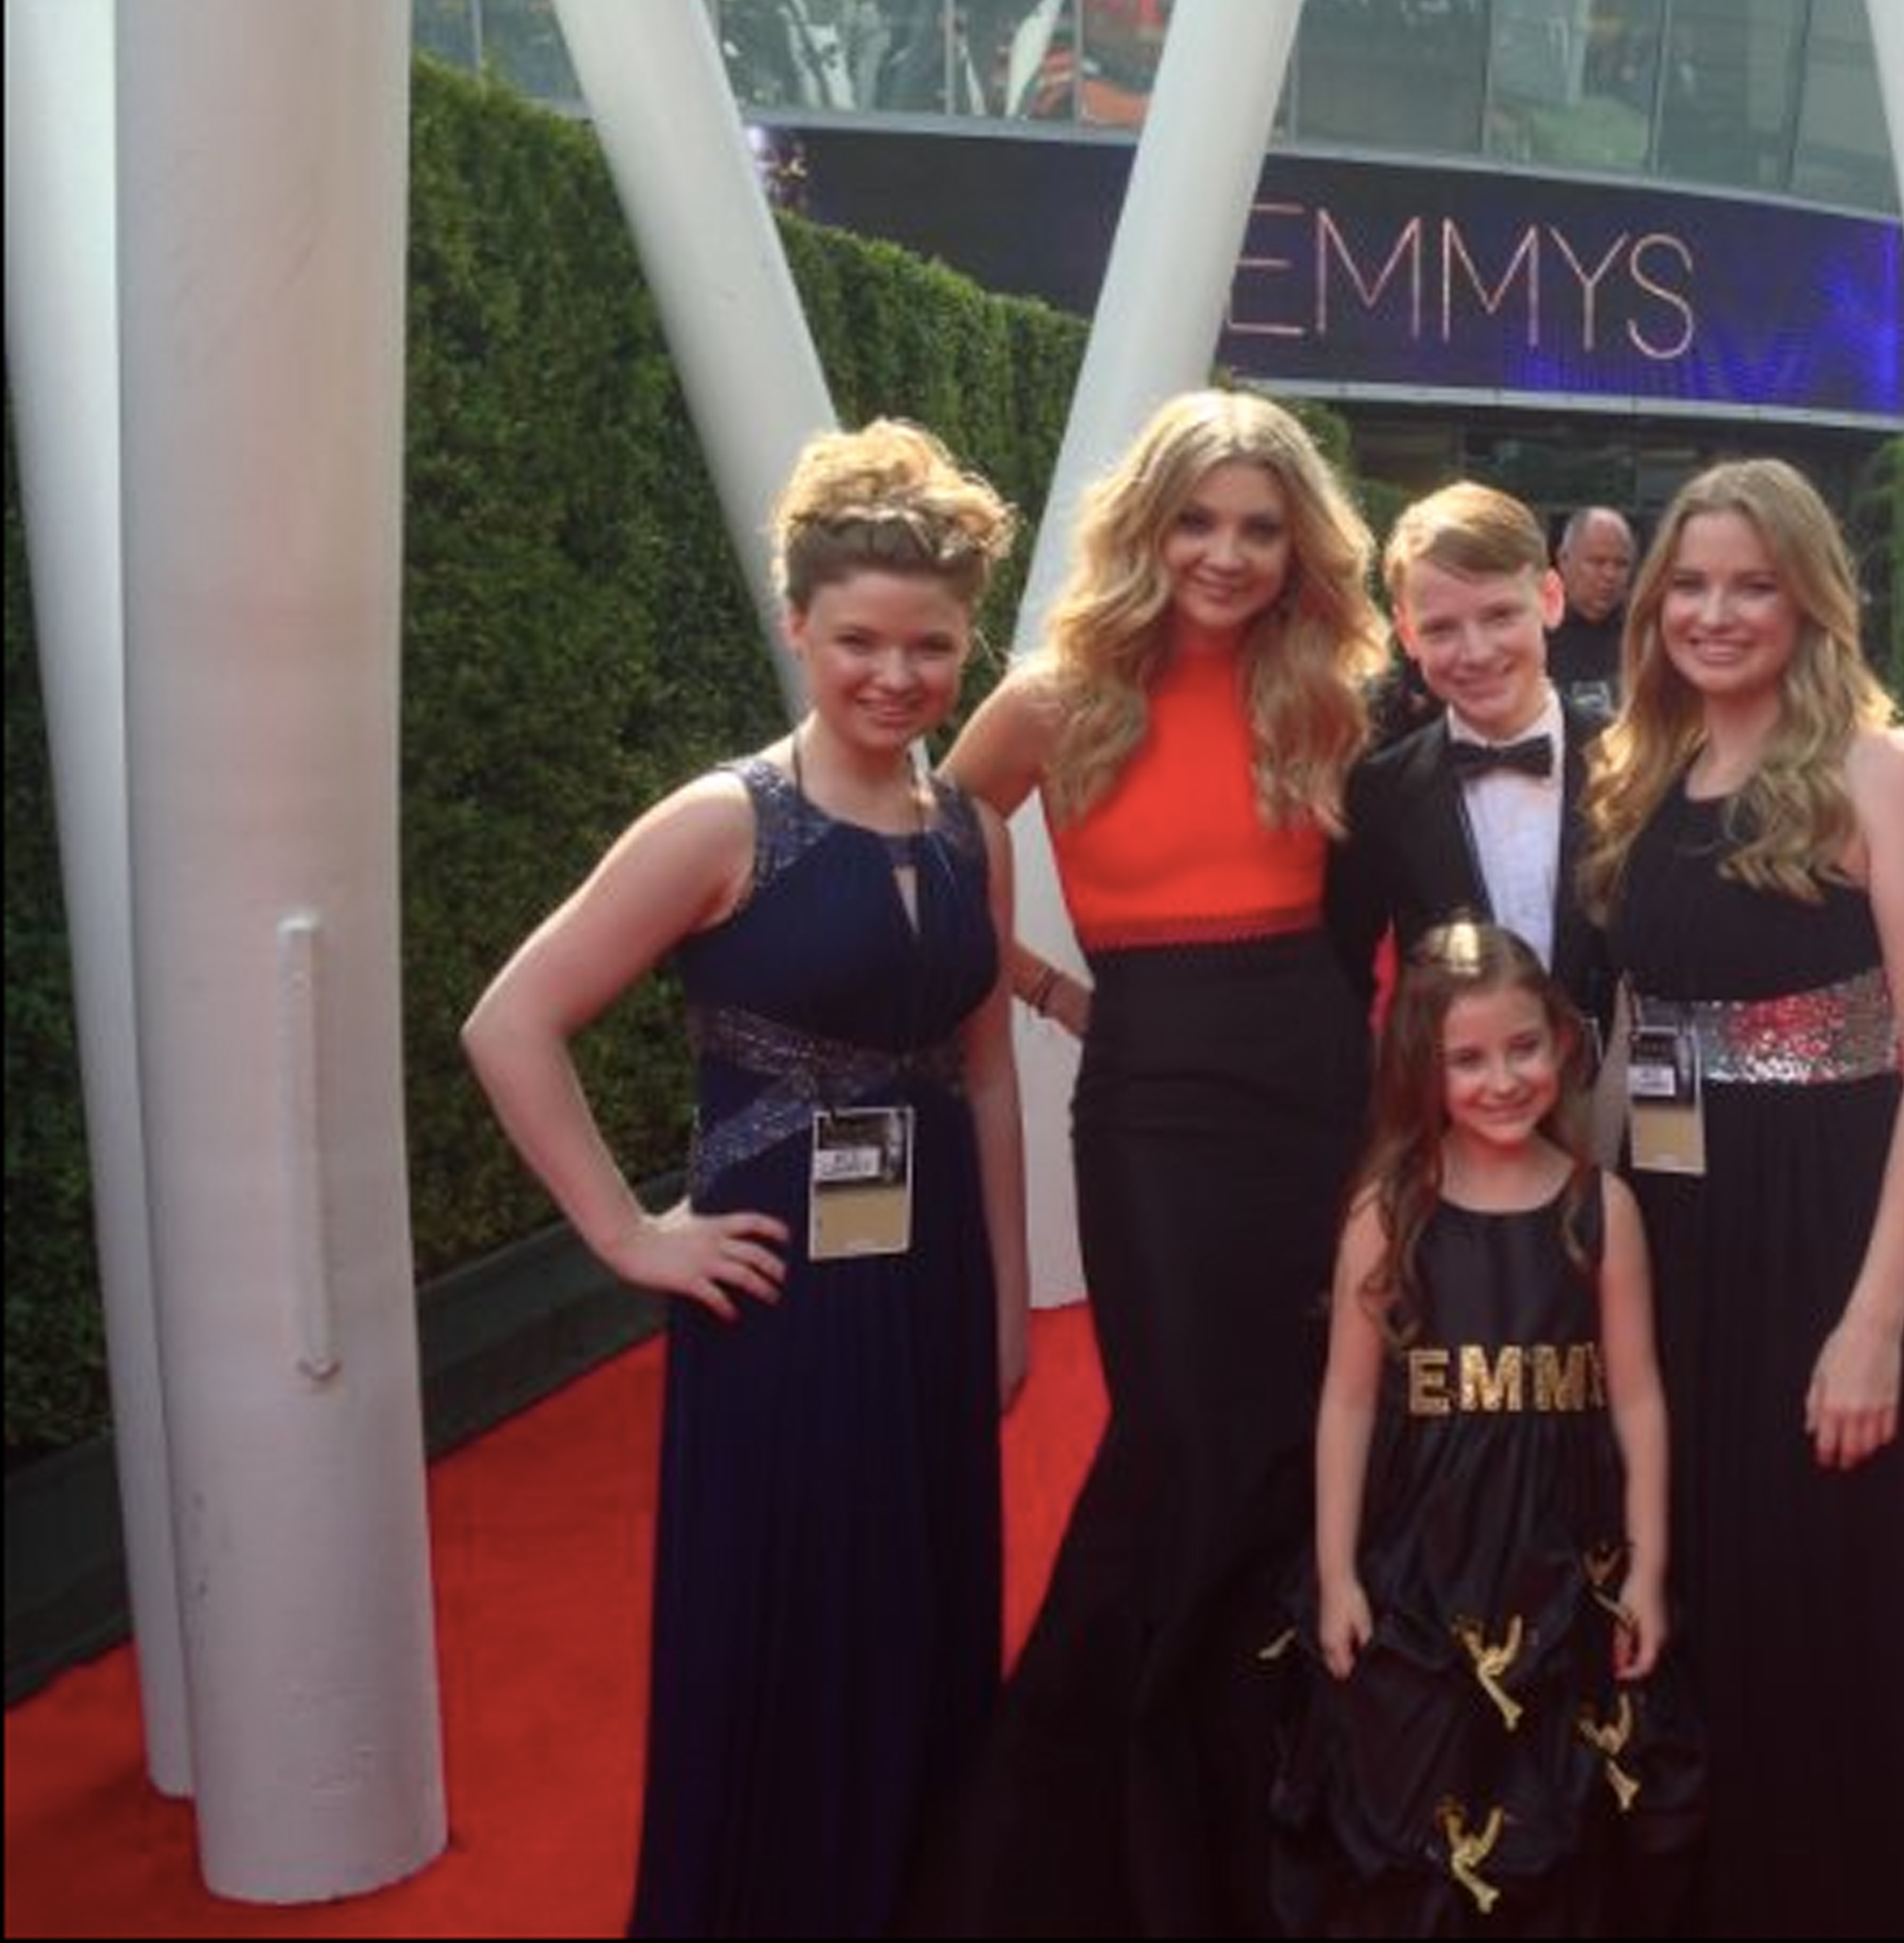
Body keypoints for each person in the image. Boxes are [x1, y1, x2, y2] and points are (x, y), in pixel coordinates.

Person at [460, 420, 1028, 1938]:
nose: (895, 676)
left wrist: (1010, 1290)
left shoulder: (974, 826)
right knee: (791, 1619)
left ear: (969, 638)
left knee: (921, 1610)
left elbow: (983, 1067)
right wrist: (630, 1231)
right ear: (796, 625)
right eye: (858, 640)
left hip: (927, 1282)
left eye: (931, 644)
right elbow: (510, 1019)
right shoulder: (725, 821)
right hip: (773, 1290)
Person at [929, 386, 1389, 1935]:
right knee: (1182, 1434)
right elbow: (904, 852)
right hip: (1152, 1102)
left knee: (1285, 1435)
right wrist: (1049, 987)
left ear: (1299, 545)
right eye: (1199, 521)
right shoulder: (1054, 697)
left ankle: (1265, 1803)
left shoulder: (1329, 683)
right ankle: (1089, 1820)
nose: (1228, 553)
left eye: (1261, 527)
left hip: (1309, 1080)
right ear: (1146, 525)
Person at [1578, 457, 1904, 1937]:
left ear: (1811, 594)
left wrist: (1877, 1316)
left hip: (1821, 1228)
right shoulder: (1643, 766)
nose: (1713, 611)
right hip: (1670, 1217)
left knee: (1818, 1581)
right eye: (1689, 583)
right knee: (1676, 1555)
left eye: (1751, 582)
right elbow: (1633, 1030)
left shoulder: (1889, 771)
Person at [1271, 922, 1700, 1936]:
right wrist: (1337, 1574)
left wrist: (1646, 1569)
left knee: (1556, 1810)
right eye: (1467, 1058)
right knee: (1421, 1809)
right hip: (1421, 1565)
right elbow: (1347, 1400)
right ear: (1422, 1068)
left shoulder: (1604, 1211)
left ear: (1561, 1044)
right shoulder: (1388, 1213)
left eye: (1523, 1047)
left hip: (1561, 1568)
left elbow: (1637, 1397)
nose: (1502, 1079)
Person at [1328, 481, 1613, 1029]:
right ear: (1407, 635)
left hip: (1617, 1102)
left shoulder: (1636, 765)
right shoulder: (1377, 795)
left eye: (1501, 614)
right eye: (1440, 628)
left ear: (1550, 600)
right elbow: (1348, 979)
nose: (1476, 651)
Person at [1545, 504, 1637, 723]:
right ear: (1564, 559)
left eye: (1621, 564)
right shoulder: (1531, 631)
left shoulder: (1645, 631)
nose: (1609, 575)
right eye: (1597, 562)